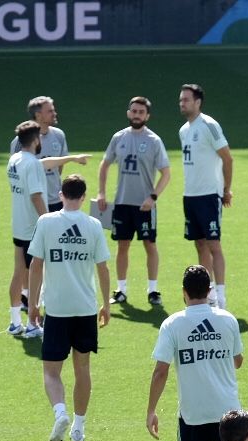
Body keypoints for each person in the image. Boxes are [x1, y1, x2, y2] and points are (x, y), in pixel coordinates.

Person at [28, 176, 111, 441]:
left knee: (51, 372)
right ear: (84, 197)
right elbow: (103, 268)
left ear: (61, 194)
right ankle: (78, 427)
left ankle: (60, 413)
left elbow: (36, 265)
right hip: (86, 308)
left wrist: (32, 305)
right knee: (82, 369)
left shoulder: (46, 222)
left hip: (57, 309)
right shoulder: (94, 225)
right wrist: (107, 304)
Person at [147, 266, 242, 441]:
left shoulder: (172, 324)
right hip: (228, 412)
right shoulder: (228, 319)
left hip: (193, 415)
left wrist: (151, 411)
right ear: (209, 290)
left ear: (184, 291)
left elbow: (160, 372)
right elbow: (238, 361)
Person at [7, 121, 89, 338]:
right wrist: (47, 221)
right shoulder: (32, 164)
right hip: (33, 226)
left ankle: (15, 322)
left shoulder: (15, 159)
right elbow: (35, 195)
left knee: (18, 272)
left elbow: (46, 163)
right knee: (37, 273)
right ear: (36, 139)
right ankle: (33, 324)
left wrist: (71, 158)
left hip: (18, 224)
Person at [98, 96, 171, 307]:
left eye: (141, 112)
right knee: (122, 246)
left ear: (147, 116)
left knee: (150, 245)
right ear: (128, 113)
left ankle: (153, 290)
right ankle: (121, 290)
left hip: (145, 205)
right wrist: (102, 193)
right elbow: (104, 165)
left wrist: (153, 197)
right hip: (122, 203)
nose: (136, 115)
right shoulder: (118, 137)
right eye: (134, 111)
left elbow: (166, 173)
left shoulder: (154, 141)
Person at [177, 83, 234, 308]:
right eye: (181, 100)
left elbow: (227, 158)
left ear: (198, 102)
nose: (182, 103)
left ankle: (221, 295)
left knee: (214, 244)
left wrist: (226, 189)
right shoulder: (183, 130)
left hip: (209, 194)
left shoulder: (209, 125)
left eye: (186, 100)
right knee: (199, 244)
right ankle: (207, 294)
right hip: (190, 195)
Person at [11, 96, 70, 211]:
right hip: (32, 201)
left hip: (56, 200)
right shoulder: (21, 141)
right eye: (50, 111)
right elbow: (16, 171)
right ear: (38, 115)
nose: (54, 113)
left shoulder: (59, 135)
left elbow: (60, 165)